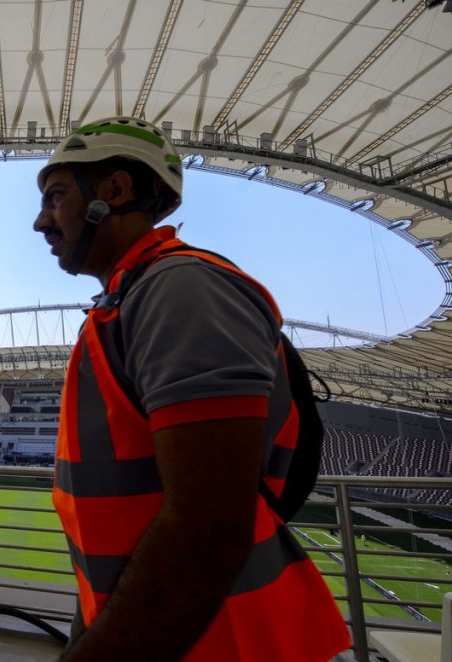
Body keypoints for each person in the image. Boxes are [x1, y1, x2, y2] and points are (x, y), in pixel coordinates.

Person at [33, 117, 350, 661]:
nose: (41, 220)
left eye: (56, 196)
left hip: (225, 643)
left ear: (115, 191)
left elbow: (206, 527)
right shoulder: (126, 302)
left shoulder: (180, 289)